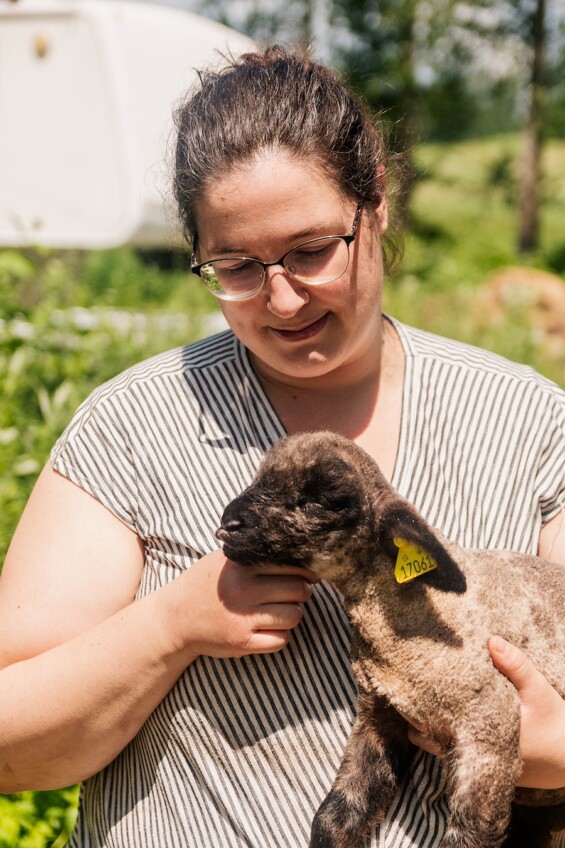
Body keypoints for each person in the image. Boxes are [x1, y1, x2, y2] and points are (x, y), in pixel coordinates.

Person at [0, 45, 564, 848]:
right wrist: (170, 629)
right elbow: (9, 746)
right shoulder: (130, 427)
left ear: (375, 207)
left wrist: (540, 749)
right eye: (234, 264)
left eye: (309, 251)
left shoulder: (527, 422)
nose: (282, 296)